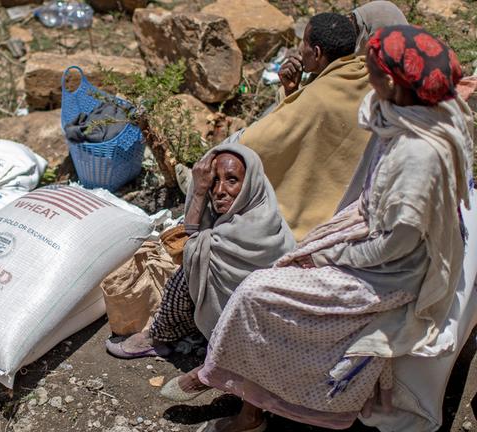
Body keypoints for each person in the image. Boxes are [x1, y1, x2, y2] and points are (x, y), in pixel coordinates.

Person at [197, 26, 472, 432]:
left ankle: (254, 408)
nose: (365, 71)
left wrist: (333, 254)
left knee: (256, 293)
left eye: (372, 67)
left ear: (392, 82)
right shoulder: (400, 118)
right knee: (282, 268)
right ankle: (245, 390)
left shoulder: (417, 155)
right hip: (367, 242)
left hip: (388, 275)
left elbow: (397, 243)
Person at [106, 141, 295, 401]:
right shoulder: (249, 214)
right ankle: (180, 335)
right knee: (194, 266)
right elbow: (194, 245)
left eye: (232, 180)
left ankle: (162, 337)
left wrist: (196, 197)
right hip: (237, 321)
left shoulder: (252, 228)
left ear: (251, 183)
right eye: (213, 182)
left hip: (258, 330)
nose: (219, 190)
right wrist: (199, 189)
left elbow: (189, 250)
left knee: (185, 274)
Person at [248, 13, 372, 240]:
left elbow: (255, 144)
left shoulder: (315, 97)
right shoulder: (370, 76)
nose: (299, 50)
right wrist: (292, 91)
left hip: (317, 224)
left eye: (303, 43)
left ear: (316, 52)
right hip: (361, 211)